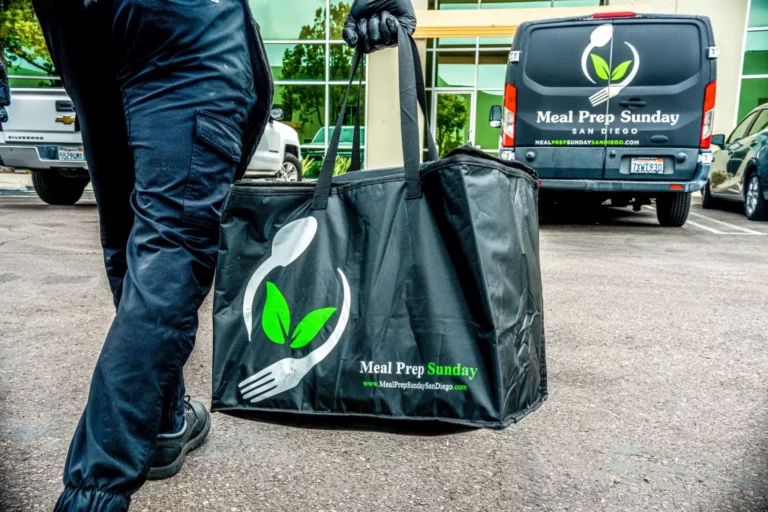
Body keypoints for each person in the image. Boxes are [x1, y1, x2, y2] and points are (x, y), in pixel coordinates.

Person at [16, 0, 416, 510]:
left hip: (76, 19)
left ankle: (163, 424)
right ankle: (93, 493)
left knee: (129, 237)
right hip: (178, 18)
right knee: (169, 243)